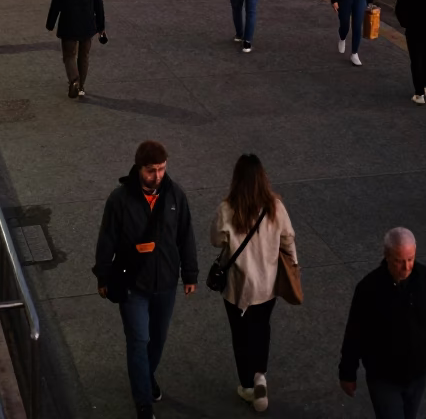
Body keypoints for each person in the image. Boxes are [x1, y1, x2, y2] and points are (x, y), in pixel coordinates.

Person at [94, 140, 198, 417]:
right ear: (139, 168)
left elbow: (186, 236)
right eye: (152, 171)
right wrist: (103, 275)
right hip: (133, 284)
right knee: (139, 339)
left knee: (157, 340)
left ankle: (145, 375)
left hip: (165, 283)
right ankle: (143, 402)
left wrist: (190, 274)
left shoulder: (175, 196)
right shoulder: (119, 200)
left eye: (162, 169)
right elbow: (107, 240)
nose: (158, 176)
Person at [339, 227, 426, 418]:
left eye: (410, 259)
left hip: (418, 374)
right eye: (399, 261)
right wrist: (347, 373)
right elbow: (355, 333)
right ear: (386, 256)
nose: (406, 267)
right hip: (383, 377)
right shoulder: (369, 288)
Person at [210, 154, 297, 412]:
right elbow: (288, 239)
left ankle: (247, 385)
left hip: (237, 288)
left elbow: (215, 240)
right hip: (267, 285)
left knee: (240, 335)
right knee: (261, 328)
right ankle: (261, 373)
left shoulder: (227, 209)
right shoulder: (275, 207)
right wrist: (293, 266)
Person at [45, 0, 106, 96]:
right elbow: (99, 6)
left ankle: (74, 79)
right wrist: (101, 27)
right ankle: (81, 87)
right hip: (87, 25)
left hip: (68, 24)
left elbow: (55, 5)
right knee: (83, 56)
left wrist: (50, 23)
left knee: (69, 55)